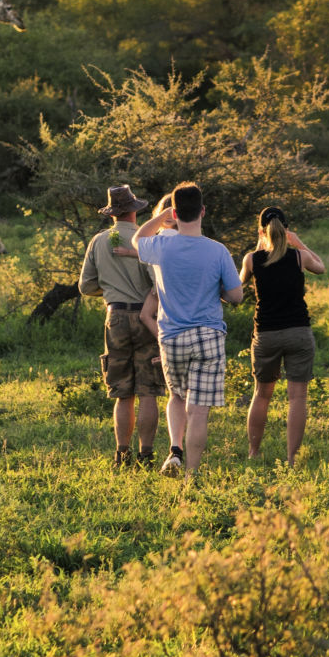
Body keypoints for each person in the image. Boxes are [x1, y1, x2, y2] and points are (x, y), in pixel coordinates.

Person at [133, 182, 243, 477]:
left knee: (177, 397)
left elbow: (137, 239)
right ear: (203, 211)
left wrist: (159, 217)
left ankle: (174, 451)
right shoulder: (218, 251)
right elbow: (236, 296)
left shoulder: (160, 246)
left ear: (175, 213)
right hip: (208, 335)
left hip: (171, 337)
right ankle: (192, 475)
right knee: (199, 410)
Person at [78, 183, 165, 469]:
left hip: (114, 316)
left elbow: (85, 286)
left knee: (122, 391)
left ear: (112, 213)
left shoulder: (99, 240)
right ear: (135, 211)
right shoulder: (147, 240)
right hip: (146, 316)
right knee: (148, 389)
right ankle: (147, 454)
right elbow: (158, 283)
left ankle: (122, 454)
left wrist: (111, 290)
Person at [239, 206, 325, 467]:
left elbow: (236, 288)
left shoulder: (252, 259)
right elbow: (320, 267)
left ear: (261, 230)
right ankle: (291, 458)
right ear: (286, 230)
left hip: (266, 334)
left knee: (262, 394)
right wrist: (298, 242)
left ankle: (254, 451)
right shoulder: (299, 257)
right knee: (297, 397)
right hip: (299, 332)